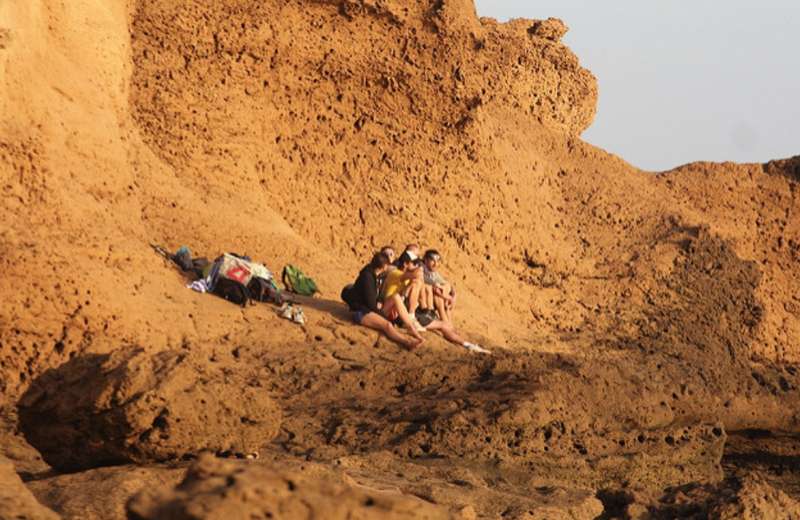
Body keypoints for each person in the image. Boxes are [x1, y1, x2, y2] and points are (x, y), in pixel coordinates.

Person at [342, 252, 423, 351]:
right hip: (361, 312)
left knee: (395, 297)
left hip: (372, 308)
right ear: (384, 266)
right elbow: (370, 304)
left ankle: (413, 330)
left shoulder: (375, 274)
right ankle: (407, 342)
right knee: (387, 325)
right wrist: (385, 318)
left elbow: (376, 297)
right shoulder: (367, 277)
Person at [381, 252, 426, 335]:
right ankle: (411, 317)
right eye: (415, 263)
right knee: (416, 282)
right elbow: (416, 275)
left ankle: (411, 316)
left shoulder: (408, 278)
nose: (417, 266)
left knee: (416, 283)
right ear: (405, 264)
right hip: (389, 308)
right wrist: (419, 269)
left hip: (399, 308)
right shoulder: (395, 273)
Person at [421, 249, 456, 323]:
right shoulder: (421, 268)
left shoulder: (433, 272)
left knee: (446, 286)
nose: (435, 264)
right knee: (438, 297)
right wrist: (448, 297)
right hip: (423, 301)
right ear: (426, 260)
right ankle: (447, 323)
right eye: (433, 260)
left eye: (438, 261)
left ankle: (448, 323)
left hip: (437, 298)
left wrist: (454, 295)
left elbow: (446, 284)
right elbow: (433, 286)